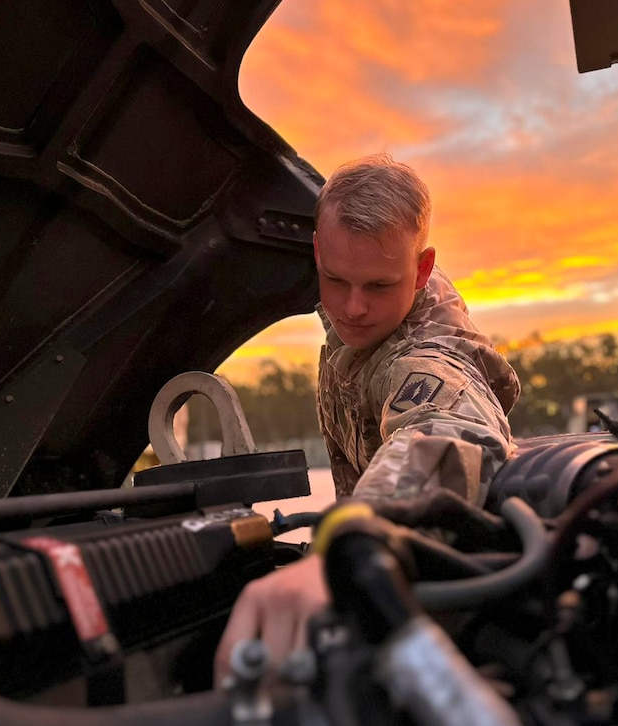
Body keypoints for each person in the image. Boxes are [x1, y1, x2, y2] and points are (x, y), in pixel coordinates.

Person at [214, 153, 520, 683]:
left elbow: (444, 433)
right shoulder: (365, 268)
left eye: (379, 287)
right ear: (317, 252)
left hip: (427, 609)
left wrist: (346, 551)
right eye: (335, 280)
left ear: (422, 270)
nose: (352, 307)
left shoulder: (425, 356)